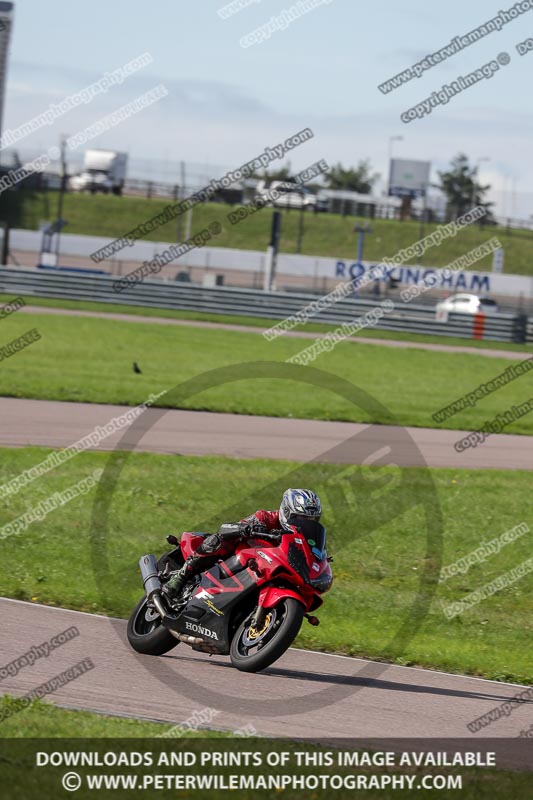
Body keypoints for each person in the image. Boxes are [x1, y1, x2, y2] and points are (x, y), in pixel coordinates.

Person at [163, 488, 322, 600]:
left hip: (269, 568)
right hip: (243, 555)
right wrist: (248, 528)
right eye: (301, 518)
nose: (305, 523)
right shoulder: (265, 517)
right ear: (287, 512)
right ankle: (180, 577)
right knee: (220, 540)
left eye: (311, 520)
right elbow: (233, 528)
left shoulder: (305, 538)